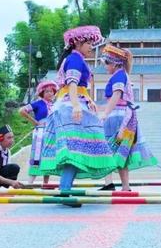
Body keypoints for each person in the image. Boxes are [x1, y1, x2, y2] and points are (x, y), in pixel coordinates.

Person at [40, 26, 116, 206]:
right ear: (77, 43)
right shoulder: (74, 59)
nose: (92, 47)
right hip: (70, 107)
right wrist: (75, 105)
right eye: (89, 43)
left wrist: (86, 100)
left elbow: (76, 86)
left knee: (75, 149)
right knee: (74, 149)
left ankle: (66, 187)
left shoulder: (74, 58)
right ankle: (65, 189)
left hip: (71, 105)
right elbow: (72, 84)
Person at [98, 44, 157, 192]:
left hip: (117, 116)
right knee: (119, 151)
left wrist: (105, 113)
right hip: (121, 114)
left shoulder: (119, 75)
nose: (105, 66)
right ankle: (121, 185)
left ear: (115, 63)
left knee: (109, 149)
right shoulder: (122, 75)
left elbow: (117, 95)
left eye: (107, 63)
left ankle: (112, 183)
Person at [19, 80, 57, 185]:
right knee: (36, 155)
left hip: (51, 133)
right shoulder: (38, 104)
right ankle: (30, 183)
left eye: (51, 91)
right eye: (47, 92)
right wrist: (35, 122)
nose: (50, 93)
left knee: (48, 156)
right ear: (42, 94)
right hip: (40, 132)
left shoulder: (54, 105)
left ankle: (46, 183)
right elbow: (22, 111)